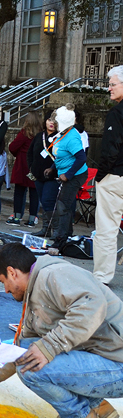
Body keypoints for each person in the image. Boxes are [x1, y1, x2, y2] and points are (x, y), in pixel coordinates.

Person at [0, 242, 122, 418]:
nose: (6, 290)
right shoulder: (36, 292)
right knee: (31, 353)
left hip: (117, 365)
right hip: (108, 361)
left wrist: (49, 347)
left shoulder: (54, 274)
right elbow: (20, 352)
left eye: (3, 281)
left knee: (31, 368)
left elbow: (92, 305)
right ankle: (97, 406)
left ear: (12, 272)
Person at [93, 65, 123, 284]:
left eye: (112, 84)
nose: (109, 89)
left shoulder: (117, 113)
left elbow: (111, 148)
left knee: (106, 228)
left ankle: (102, 276)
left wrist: (100, 175)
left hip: (115, 176)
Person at [45, 105, 88, 254]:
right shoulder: (62, 134)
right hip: (67, 173)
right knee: (66, 205)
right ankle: (66, 235)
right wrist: (52, 167)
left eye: (56, 121)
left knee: (63, 206)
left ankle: (60, 240)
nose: (53, 123)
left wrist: (68, 175)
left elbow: (81, 158)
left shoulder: (71, 137)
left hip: (76, 175)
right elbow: (60, 154)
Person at [6, 111, 43, 225]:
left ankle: (17, 216)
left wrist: (18, 154)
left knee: (19, 192)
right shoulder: (41, 135)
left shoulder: (24, 133)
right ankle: (32, 218)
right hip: (35, 165)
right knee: (34, 193)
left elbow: (13, 147)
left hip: (22, 164)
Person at [28, 110, 58, 236]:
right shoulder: (39, 136)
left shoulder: (60, 136)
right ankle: (45, 229)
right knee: (43, 200)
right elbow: (30, 153)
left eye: (54, 120)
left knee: (48, 200)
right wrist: (32, 168)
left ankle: (53, 228)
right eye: (49, 120)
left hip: (53, 176)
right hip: (38, 175)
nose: (51, 123)